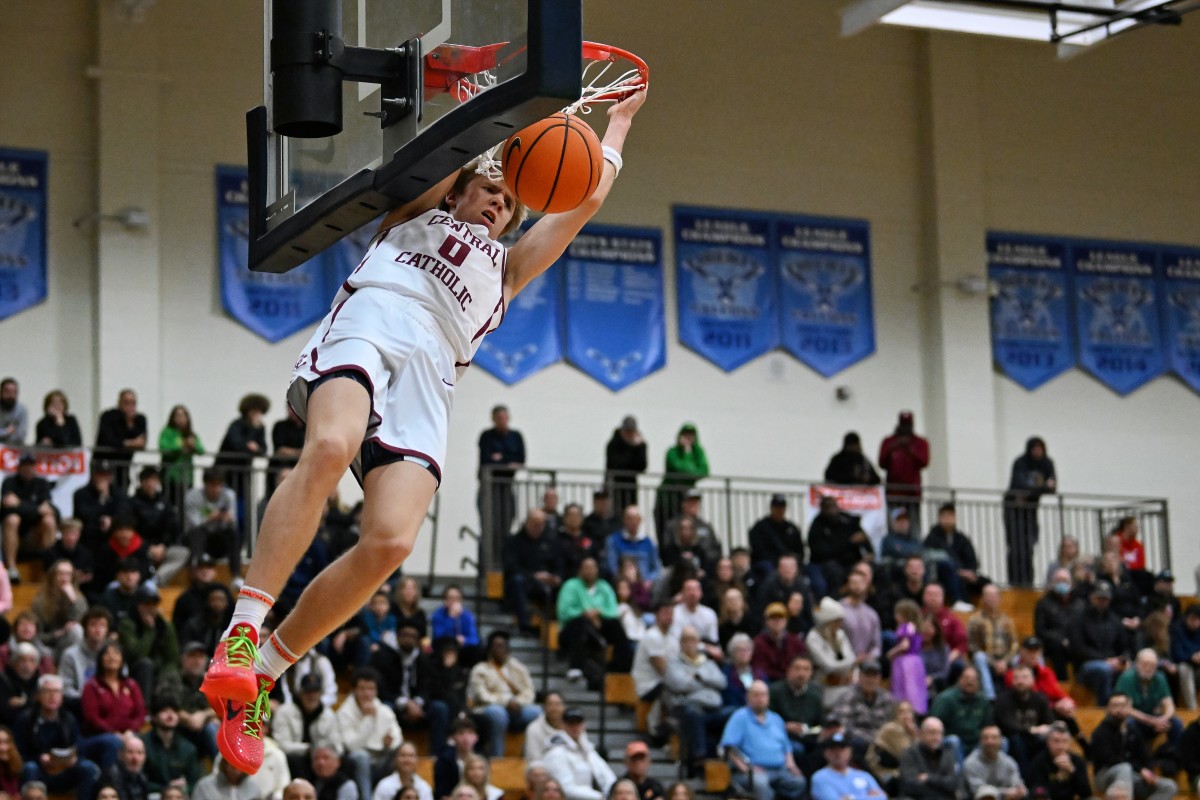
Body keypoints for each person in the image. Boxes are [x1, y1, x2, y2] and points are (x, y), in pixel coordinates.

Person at [15, 674, 101, 799]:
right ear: (39, 695)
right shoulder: (26, 719)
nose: (52, 696)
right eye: (48, 692)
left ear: (62, 696)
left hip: (64, 770)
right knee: (30, 768)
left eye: (56, 692)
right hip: (39, 770)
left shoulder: (69, 719)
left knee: (88, 768)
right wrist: (39, 758)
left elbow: (79, 746)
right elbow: (18, 751)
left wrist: (74, 759)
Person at [720, 680, 806, 800]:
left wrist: (791, 765)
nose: (760, 698)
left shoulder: (776, 719)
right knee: (760, 783)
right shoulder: (740, 717)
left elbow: (787, 748)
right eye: (756, 695)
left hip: (779, 769)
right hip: (753, 770)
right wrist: (746, 769)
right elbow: (728, 747)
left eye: (764, 694)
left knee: (798, 782)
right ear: (747, 698)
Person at [557, 557, 631, 686]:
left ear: (597, 570)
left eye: (593, 567)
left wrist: (598, 613)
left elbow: (613, 610)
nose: (590, 570)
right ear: (580, 570)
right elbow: (564, 612)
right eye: (586, 567)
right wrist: (585, 614)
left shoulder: (604, 586)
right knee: (579, 623)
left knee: (616, 626)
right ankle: (575, 667)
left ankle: (619, 668)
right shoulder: (570, 585)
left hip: (598, 625)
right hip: (572, 629)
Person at [1090, 692, 1177, 800]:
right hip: (1105, 775)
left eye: (1122, 705)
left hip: (1133, 774)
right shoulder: (1100, 732)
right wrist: (1140, 770)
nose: (1119, 710)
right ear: (1108, 709)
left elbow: (1144, 754)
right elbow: (1112, 759)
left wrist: (1148, 772)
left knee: (1169, 786)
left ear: (1129, 708)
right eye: (1114, 706)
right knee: (1124, 768)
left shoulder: (1133, 730)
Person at [467, 631, 539, 757]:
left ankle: (529, 755)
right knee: (498, 714)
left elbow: (529, 691)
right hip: (489, 707)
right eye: (497, 646)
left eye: (503, 646)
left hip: (516, 706)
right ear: (490, 649)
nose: (501, 649)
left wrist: (517, 702)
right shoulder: (480, 669)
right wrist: (506, 702)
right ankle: (497, 757)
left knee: (536, 712)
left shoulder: (518, 667)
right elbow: (482, 695)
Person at [335, 667, 401, 798]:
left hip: (381, 757)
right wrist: (369, 719)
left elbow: (398, 737)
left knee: (403, 753)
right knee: (362, 757)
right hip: (354, 761)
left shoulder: (384, 710)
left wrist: (390, 743)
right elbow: (352, 747)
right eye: (363, 689)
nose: (367, 694)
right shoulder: (344, 713)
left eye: (371, 689)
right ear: (354, 690)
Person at [1003, 437, 1056, 587]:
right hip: (1013, 509)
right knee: (1015, 547)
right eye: (1035, 448)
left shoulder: (1047, 463)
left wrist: (1030, 491)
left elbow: (1052, 487)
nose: (1038, 452)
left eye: (1041, 448)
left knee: (1029, 546)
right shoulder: (1020, 462)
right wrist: (1042, 487)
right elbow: (1018, 485)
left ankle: (1028, 582)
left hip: (1030, 510)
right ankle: (1014, 581)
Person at [1112, 647, 1184, 750]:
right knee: (1129, 723)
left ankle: (1171, 756)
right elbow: (1126, 709)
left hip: (1154, 720)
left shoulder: (1160, 678)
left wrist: (1164, 719)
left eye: (1152, 665)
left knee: (1176, 723)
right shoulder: (1127, 678)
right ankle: (1137, 758)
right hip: (1136, 720)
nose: (1148, 668)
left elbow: (1169, 705)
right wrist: (1152, 721)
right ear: (1137, 664)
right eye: (1145, 664)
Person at [1, 453, 57, 583]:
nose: (27, 469)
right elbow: (8, 509)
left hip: (35, 534)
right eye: (24, 466)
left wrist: (20, 504)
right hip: (14, 534)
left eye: (30, 465)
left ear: (35, 467)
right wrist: (36, 508)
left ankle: (50, 565)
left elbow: (48, 510)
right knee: (12, 519)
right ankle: (12, 568)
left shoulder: (42, 483)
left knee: (49, 520)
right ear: (19, 467)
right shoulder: (9, 482)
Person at [1071, 580, 1129, 705]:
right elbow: (1079, 649)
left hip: (1113, 662)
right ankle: (1106, 707)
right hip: (1086, 665)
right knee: (1103, 669)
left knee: (1133, 669)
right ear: (1091, 597)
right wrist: (1106, 660)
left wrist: (1123, 660)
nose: (1102, 601)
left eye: (1105, 598)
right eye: (1099, 598)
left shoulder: (1115, 620)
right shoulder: (1079, 618)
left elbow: (1124, 645)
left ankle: (1127, 708)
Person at [505, 509, 562, 634]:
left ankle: (558, 628)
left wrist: (556, 576)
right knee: (517, 581)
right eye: (535, 524)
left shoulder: (550, 542)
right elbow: (511, 567)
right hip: (524, 582)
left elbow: (558, 564)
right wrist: (533, 576)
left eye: (541, 524)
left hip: (546, 583)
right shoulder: (513, 542)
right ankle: (524, 623)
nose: (538, 528)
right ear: (527, 522)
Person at [130, 465, 190, 585]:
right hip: (140, 547)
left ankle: (156, 580)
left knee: (183, 553)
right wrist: (147, 547)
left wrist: (163, 545)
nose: (151, 484)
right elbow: (130, 530)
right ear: (141, 482)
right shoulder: (132, 503)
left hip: (162, 547)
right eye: (147, 481)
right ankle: (143, 579)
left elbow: (172, 527)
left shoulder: (164, 502)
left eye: (154, 480)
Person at [479, 404, 526, 555]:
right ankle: (488, 560)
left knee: (507, 522)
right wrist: (508, 462)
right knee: (489, 526)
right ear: (493, 419)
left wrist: (501, 458)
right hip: (489, 488)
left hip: (506, 486)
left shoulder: (516, 436)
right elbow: (486, 460)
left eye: (505, 418)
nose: (502, 421)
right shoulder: (486, 436)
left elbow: (521, 460)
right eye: (499, 418)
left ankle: (503, 558)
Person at [542, 708, 616, 800]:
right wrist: (600, 797)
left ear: (583, 725)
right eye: (571, 723)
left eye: (578, 723)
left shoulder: (588, 749)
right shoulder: (555, 752)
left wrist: (614, 792)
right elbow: (566, 788)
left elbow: (607, 776)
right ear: (563, 725)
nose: (575, 727)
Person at [806, 496, 871, 598]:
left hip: (852, 560)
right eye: (828, 507)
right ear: (822, 509)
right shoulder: (817, 525)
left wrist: (869, 552)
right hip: (828, 562)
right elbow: (822, 552)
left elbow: (861, 536)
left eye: (833, 506)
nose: (832, 510)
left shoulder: (846, 519)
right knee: (835, 572)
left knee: (868, 569)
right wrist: (849, 543)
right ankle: (837, 599)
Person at [996, 664, 1053, 779]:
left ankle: (1043, 780)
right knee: (1016, 739)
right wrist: (1030, 729)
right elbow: (1007, 724)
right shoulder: (1003, 698)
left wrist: (1046, 728)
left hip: (1035, 738)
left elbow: (1049, 721)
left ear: (1033, 680)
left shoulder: (1040, 698)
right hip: (1011, 739)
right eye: (1016, 678)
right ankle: (1025, 779)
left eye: (1024, 677)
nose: (1020, 681)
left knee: (1047, 740)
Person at [185, 469, 242, 581]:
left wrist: (228, 519)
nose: (217, 489)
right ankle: (195, 568)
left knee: (233, 534)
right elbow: (193, 524)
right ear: (205, 485)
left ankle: (236, 575)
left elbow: (233, 520)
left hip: (218, 539)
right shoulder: (193, 496)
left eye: (219, 485)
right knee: (198, 533)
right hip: (197, 539)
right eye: (213, 485)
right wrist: (209, 518)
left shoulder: (228, 495)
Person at [831, 662, 894, 762]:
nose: (870, 680)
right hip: (858, 740)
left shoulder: (887, 698)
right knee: (858, 743)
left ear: (879, 679)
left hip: (882, 741)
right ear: (860, 677)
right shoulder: (848, 697)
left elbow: (892, 723)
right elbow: (842, 725)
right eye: (867, 676)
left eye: (874, 676)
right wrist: (873, 740)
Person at [924, 503, 986, 606]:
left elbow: (972, 559)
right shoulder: (932, 537)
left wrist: (970, 572)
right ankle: (958, 601)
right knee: (952, 574)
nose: (947, 519)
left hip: (964, 573)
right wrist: (959, 571)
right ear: (939, 518)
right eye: (944, 516)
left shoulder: (961, 538)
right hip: (943, 574)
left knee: (985, 582)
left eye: (950, 516)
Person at [929, 665, 992, 764]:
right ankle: (962, 776)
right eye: (966, 678)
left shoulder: (983, 700)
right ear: (959, 679)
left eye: (974, 679)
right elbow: (933, 725)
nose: (970, 682)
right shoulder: (945, 699)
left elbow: (988, 726)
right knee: (954, 741)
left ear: (979, 683)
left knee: (1001, 741)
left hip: (976, 742)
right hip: (952, 741)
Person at [653, 424, 709, 537]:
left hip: (685, 499)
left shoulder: (698, 452)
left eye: (691, 435)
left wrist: (689, 456)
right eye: (685, 435)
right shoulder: (672, 452)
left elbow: (704, 470)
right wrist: (686, 455)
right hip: (667, 500)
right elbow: (679, 468)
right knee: (666, 531)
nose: (688, 438)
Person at [142, 693, 202, 794]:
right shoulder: (142, 744)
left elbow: (194, 783)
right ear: (153, 716)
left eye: (174, 711)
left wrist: (185, 786)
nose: (170, 715)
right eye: (164, 711)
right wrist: (166, 788)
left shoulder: (188, 748)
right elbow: (138, 780)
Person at [968, 584, 1019, 700]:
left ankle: (1018, 691)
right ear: (982, 598)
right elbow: (972, 646)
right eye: (988, 595)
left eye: (994, 595)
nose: (991, 599)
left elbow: (1014, 644)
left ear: (999, 598)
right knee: (979, 657)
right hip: (987, 658)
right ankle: (990, 696)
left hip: (1005, 659)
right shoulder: (975, 620)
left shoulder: (1007, 620)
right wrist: (993, 663)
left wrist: (1005, 661)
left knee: (1019, 659)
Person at [877, 411, 929, 524]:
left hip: (912, 493)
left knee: (914, 526)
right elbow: (881, 463)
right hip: (893, 493)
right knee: (894, 525)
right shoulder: (889, 441)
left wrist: (910, 449)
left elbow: (924, 462)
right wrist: (894, 446)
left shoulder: (920, 442)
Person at [768, 654, 823, 757]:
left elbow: (820, 722)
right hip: (783, 736)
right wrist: (785, 726)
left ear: (811, 673)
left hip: (809, 737)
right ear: (788, 671)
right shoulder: (775, 691)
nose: (801, 673)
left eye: (806, 669)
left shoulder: (816, 693)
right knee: (798, 749)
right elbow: (767, 720)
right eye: (797, 668)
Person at [30, 558, 86, 658]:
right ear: (52, 577)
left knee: (76, 630)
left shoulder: (78, 599)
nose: (64, 579)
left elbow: (84, 624)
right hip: (47, 646)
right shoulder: (40, 601)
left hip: (68, 645)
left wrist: (73, 601)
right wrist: (58, 633)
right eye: (60, 574)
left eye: (68, 574)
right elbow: (36, 635)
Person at [94, 389, 148, 491]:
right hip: (105, 463)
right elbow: (108, 440)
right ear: (119, 402)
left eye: (133, 403)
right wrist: (130, 442)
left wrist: (130, 423)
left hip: (124, 465)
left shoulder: (140, 419)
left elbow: (141, 442)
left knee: (122, 492)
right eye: (126, 402)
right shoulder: (108, 416)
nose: (130, 406)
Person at [1035, 569, 1083, 680]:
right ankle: (1062, 682)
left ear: (1071, 583)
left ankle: (1081, 683)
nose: (1062, 583)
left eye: (1065, 580)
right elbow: (1040, 630)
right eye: (1059, 580)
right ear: (1053, 583)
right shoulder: (1044, 604)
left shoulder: (1079, 603)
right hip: (1054, 644)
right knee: (1058, 648)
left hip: (1075, 643)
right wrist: (1060, 639)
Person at [810, 731, 885, 800]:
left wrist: (851, 798)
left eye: (842, 750)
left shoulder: (863, 775)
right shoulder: (820, 777)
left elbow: (882, 797)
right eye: (833, 750)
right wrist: (868, 796)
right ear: (826, 753)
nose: (838, 754)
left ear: (850, 752)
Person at [897, 717, 957, 800]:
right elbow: (910, 785)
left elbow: (953, 784)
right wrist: (941, 784)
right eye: (932, 733)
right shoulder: (910, 753)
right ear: (921, 733)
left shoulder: (947, 754)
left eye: (940, 733)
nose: (936, 737)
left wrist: (928, 778)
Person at [746, 495, 804, 579]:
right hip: (768, 563)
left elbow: (799, 550)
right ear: (771, 508)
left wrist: (793, 560)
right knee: (770, 571)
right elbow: (759, 551)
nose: (779, 510)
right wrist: (779, 561)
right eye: (776, 507)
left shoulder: (792, 528)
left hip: (788, 562)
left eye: (782, 507)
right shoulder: (760, 527)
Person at [158, 404, 205, 509]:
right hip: (171, 475)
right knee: (170, 505)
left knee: (185, 506)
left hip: (187, 477)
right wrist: (181, 447)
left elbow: (201, 450)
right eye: (178, 416)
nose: (181, 419)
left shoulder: (191, 434)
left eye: (183, 415)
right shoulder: (168, 432)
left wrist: (193, 446)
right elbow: (164, 447)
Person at [1027, 723, 1089, 800]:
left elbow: (1086, 793)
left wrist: (1072, 770)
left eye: (1064, 741)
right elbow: (1038, 792)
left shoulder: (1076, 760)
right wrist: (1058, 779)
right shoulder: (1039, 761)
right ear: (1048, 742)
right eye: (1056, 741)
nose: (1060, 746)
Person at [963, 725, 1026, 800]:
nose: (990, 742)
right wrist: (1006, 792)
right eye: (986, 738)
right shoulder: (971, 763)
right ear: (980, 741)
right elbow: (979, 790)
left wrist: (1020, 790)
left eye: (994, 738)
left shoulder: (1009, 762)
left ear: (1001, 740)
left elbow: (1017, 784)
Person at [866, 701, 916, 794]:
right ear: (895, 714)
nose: (906, 715)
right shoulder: (893, 728)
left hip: (898, 771)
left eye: (909, 712)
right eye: (902, 712)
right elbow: (908, 756)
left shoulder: (907, 729)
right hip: (884, 773)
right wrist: (914, 734)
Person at [886, 599, 927, 713]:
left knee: (905, 687)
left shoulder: (905, 627)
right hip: (915, 661)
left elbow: (905, 645)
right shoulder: (914, 627)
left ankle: (905, 709)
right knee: (913, 687)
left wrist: (892, 652)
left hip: (905, 662)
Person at [751, 602, 807, 682]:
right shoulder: (758, 643)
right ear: (766, 621)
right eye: (773, 618)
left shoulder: (796, 642)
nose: (777, 621)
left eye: (781, 618)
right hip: (768, 683)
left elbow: (803, 662)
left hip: (792, 682)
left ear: (786, 621)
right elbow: (759, 669)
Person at [605, 506, 660, 584]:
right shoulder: (613, 541)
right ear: (624, 520)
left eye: (635, 518)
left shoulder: (648, 542)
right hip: (622, 586)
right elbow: (612, 567)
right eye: (629, 518)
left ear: (640, 520)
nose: (633, 522)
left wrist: (649, 581)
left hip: (645, 587)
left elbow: (656, 568)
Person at [606, 415, 647, 514]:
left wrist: (640, 447)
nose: (629, 434)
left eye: (631, 431)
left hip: (631, 486)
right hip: (615, 486)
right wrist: (630, 448)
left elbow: (642, 466)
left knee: (631, 512)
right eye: (627, 431)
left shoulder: (639, 446)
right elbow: (616, 465)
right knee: (616, 513)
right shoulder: (613, 444)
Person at [433, 718, 482, 800]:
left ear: (476, 737)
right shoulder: (443, 761)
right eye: (461, 733)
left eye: (470, 733)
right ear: (453, 738)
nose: (466, 738)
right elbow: (442, 794)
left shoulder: (482, 760)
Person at [840, 569, 881, 664]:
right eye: (853, 582)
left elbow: (877, 646)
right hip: (842, 662)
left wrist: (868, 656)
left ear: (867, 586)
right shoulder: (839, 609)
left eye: (861, 583)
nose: (857, 586)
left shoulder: (872, 614)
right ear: (847, 585)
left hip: (865, 663)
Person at [193, 756, 265, 800]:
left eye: (241, 768)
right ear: (225, 764)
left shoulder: (254, 789)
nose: (237, 771)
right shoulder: (205, 787)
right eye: (234, 767)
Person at [523, 691, 566, 762]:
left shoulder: (573, 725)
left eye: (557, 704)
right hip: (544, 768)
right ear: (544, 708)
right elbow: (533, 758)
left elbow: (585, 751)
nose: (554, 708)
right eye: (550, 704)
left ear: (564, 707)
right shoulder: (533, 729)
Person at [1171, 604, 1200, 710]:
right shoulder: (1177, 629)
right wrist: (1192, 657)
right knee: (1184, 669)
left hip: (1198, 665)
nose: (1195, 623)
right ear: (1186, 618)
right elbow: (1177, 654)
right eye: (1192, 619)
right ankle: (1192, 708)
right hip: (1183, 663)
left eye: (1197, 620)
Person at [0, 379, 27, 445]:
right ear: (1, 392)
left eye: (14, 392)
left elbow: (21, 435)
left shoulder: (22, 410)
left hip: (14, 449)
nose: (11, 395)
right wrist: (7, 431)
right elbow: (12, 432)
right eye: (7, 392)